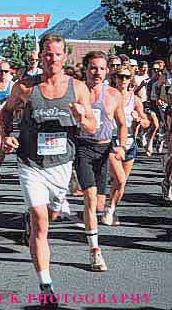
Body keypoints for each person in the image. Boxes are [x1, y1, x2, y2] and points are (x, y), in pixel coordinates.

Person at [1, 34, 96, 301]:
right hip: (30, 162)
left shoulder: (77, 88)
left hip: (61, 165)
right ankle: (46, 286)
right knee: (40, 222)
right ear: (40, 56)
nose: (51, 58)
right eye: (47, 53)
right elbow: (6, 112)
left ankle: (35, 222)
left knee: (50, 217)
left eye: (56, 54)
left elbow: (92, 127)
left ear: (65, 57)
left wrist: (80, 118)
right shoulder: (26, 87)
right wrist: (6, 135)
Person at [74, 51, 127, 271]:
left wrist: (121, 146)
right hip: (82, 148)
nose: (97, 72)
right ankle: (95, 251)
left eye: (102, 68)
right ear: (85, 69)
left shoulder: (114, 94)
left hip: (105, 150)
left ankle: (37, 217)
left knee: (98, 204)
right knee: (89, 197)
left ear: (107, 71)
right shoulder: (76, 91)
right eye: (93, 68)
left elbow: (123, 124)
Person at [102, 66, 149, 226]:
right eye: (120, 76)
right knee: (119, 179)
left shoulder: (134, 99)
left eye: (127, 77)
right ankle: (108, 208)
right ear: (115, 78)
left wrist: (139, 119)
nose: (123, 80)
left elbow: (146, 121)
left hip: (130, 142)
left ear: (131, 79)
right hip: (112, 141)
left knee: (121, 182)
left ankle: (111, 208)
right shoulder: (108, 95)